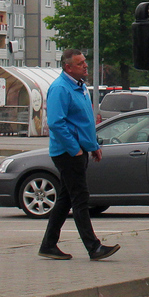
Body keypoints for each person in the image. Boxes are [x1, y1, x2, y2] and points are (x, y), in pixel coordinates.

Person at [38, 49, 120, 261]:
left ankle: (48, 245)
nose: (85, 66)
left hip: (79, 151)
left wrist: (92, 146)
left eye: (85, 62)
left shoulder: (79, 86)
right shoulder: (60, 89)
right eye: (80, 63)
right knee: (80, 197)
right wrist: (74, 148)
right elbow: (56, 122)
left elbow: (83, 121)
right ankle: (93, 247)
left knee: (66, 198)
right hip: (67, 153)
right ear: (68, 67)